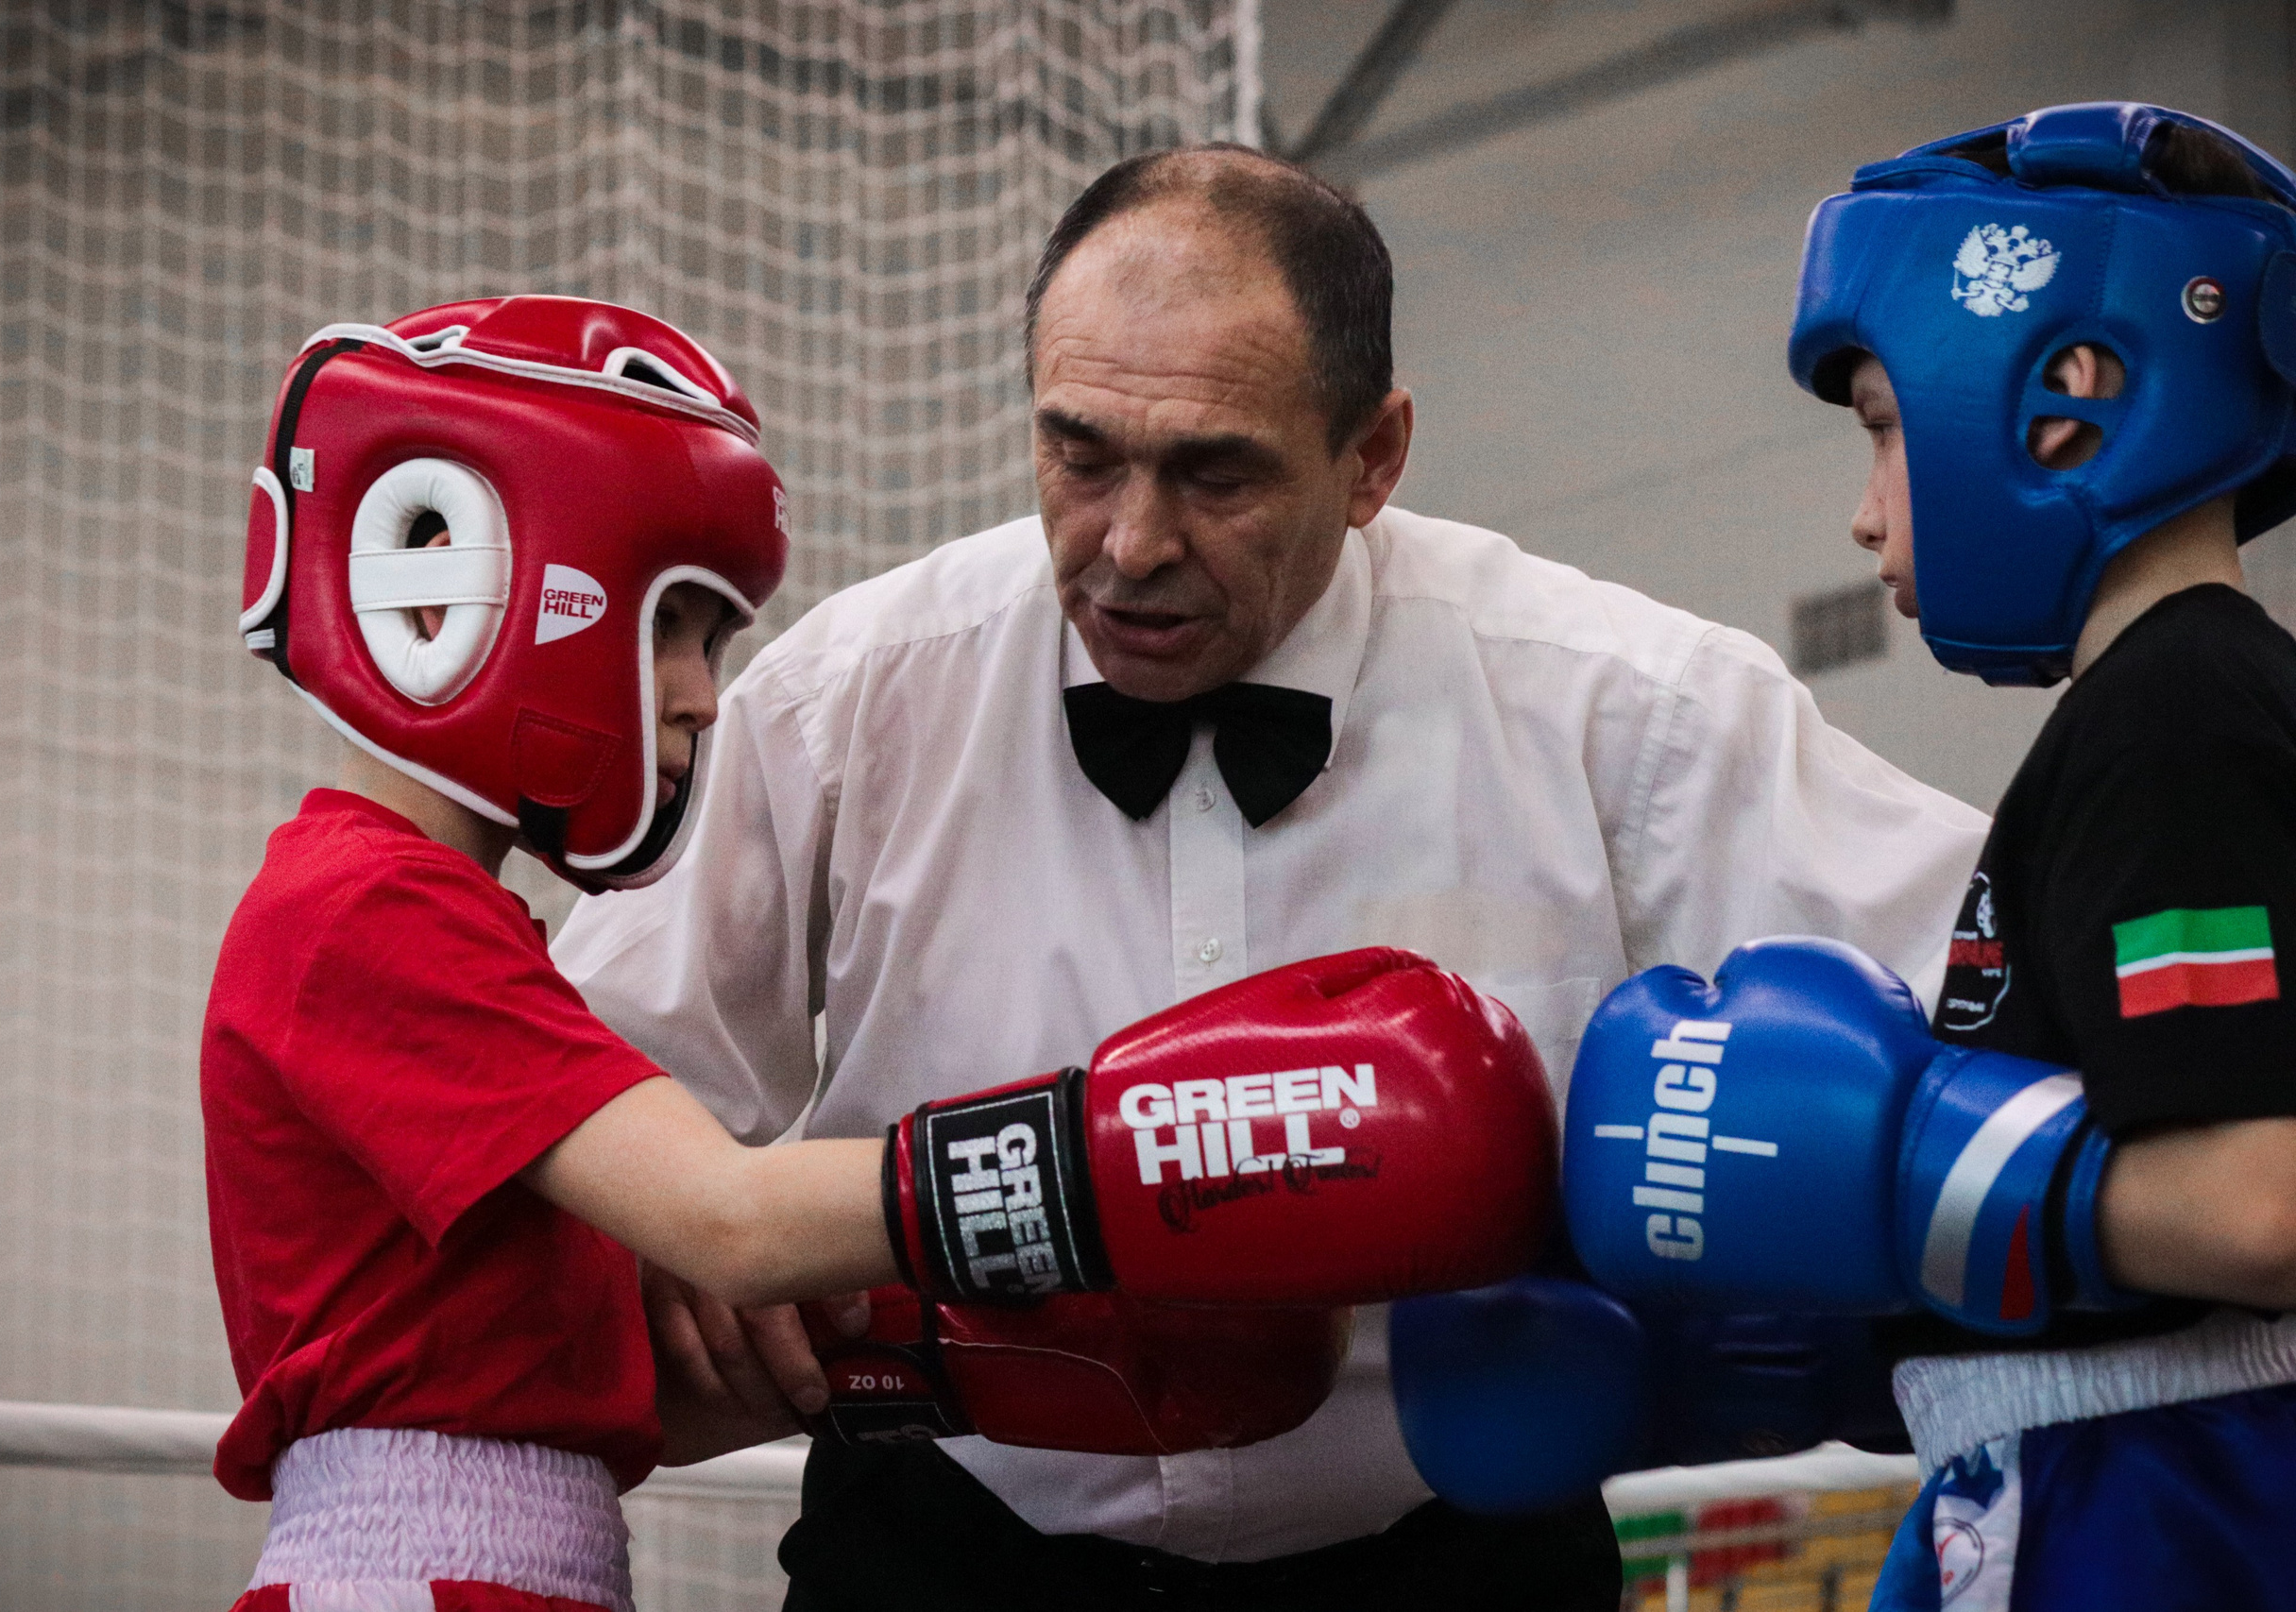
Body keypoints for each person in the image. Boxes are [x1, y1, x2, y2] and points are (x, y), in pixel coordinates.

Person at [551, 144, 1990, 1611]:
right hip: (951, 1543)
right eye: (1080, 451)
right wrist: (699, 1260)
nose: (1130, 542)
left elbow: (2001, 998)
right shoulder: (850, 702)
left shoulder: (1624, 706)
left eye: (1214, 472)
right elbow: (574, 1094)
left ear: (1374, 458)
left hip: (1450, 1558)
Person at [205, 294, 1546, 1612]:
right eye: (666, 622)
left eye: (710, 638)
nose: (695, 694)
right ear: (450, 596)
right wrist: (1128, 1162)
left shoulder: (429, 914)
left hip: (514, 1559)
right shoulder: (361, 911)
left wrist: (933, 1352)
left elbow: (605, 1375)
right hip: (414, 1575)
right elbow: (725, 1220)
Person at [1563, 104, 2296, 1611]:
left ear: (2068, 400)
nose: (1862, 511)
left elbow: (2259, 1202)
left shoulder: (2177, 716)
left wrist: (1900, 1179)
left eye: (1885, 430)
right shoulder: (2177, 707)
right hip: (2135, 1471)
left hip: (2169, 1495)